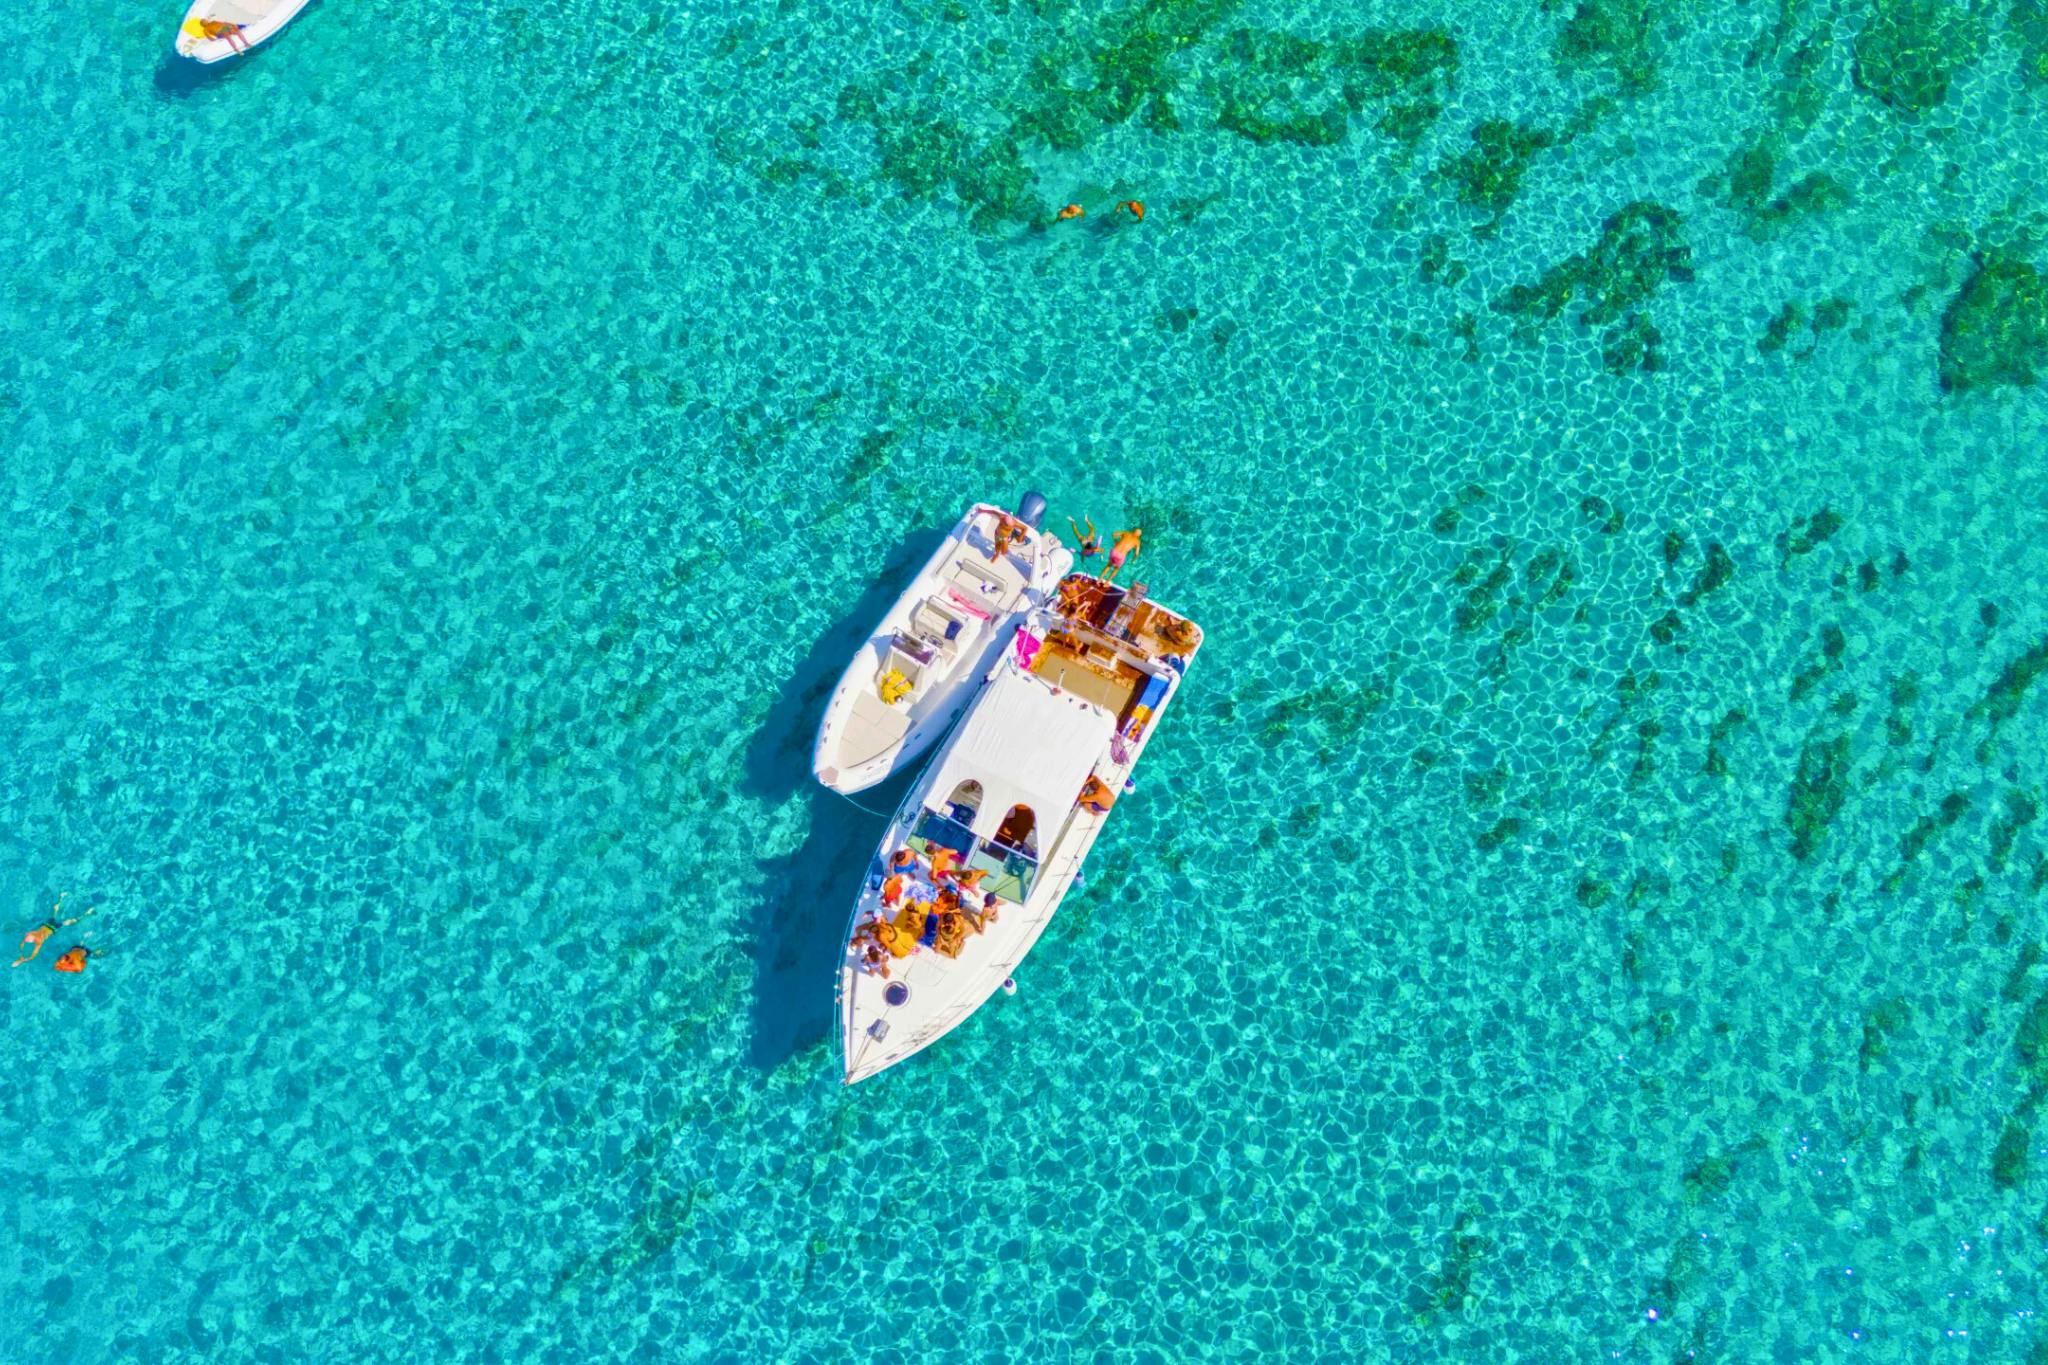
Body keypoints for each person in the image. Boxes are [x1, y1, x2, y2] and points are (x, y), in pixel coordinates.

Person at [13, 897, 90, 968]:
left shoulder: (39, 942)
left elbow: (33, 955)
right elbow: (23, 944)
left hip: (53, 929)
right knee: (54, 912)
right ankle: (61, 897)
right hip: (47, 924)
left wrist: (21, 959)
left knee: (67, 922)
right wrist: (21, 956)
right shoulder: (31, 934)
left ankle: (86, 914)